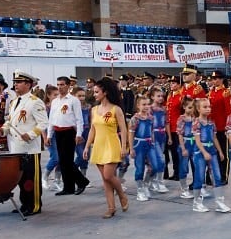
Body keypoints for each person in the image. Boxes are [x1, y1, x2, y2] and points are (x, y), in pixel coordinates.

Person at [4, 71, 49, 217]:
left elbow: (43, 123)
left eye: (19, 82)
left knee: (31, 179)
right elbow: (10, 122)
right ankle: (24, 203)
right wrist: (3, 130)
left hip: (30, 149)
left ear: (28, 84)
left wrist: (30, 135)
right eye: (15, 82)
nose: (15, 84)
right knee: (21, 179)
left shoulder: (35, 101)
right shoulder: (13, 102)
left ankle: (34, 205)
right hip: (16, 148)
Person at [83, 77, 128, 218]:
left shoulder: (116, 109)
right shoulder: (94, 110)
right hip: (98, 146)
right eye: (94, 92)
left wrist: (124, 147)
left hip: (112, 144)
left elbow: (124, 129)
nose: (94, 94)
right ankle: (111, 208)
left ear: (105, 92)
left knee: (109, 175)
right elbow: (92, 129)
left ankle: (122, 195)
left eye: (97, 92)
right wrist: (86, 146)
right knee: (105, 180)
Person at [48, 76, 90, 196]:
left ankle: (82, 181)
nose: (60, 87)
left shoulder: (73, 100)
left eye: (62, 85)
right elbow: (52, 119)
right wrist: (49, 135)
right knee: (62, 161)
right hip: (58, 131)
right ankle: (68, 187)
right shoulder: (55, 101)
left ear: (68, 86)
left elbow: (79, 119)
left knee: (67, 160)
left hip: (69, 132)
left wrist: (78, 134)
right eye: (58, 85)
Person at [191, 97, 231, 213]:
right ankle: (197, 202)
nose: (208, 109)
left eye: (209, 106)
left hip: (212, 151)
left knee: (217, 176)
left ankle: (219, 202)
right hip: (200, 152)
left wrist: (220, 151)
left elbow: (214, 138)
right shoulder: (196, 123)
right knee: (199, 176)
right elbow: (197, 141)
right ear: (198, 109)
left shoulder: (211, 123)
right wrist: (204, 152)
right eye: (205, 107)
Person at [129, 96, 164, 202]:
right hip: (139, 144)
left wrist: (153, 142)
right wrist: (131, 149)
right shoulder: (135, 119)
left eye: (148, 104)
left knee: (155, 166)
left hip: (150, 144)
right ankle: (140, 190)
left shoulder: (150, 118)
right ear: (138, 106)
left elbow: (152, 130)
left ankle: (146, 184)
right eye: (143, 104)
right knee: (139, 168)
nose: (146, 107)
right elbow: (131, 134)